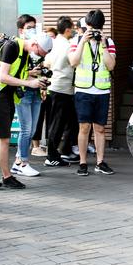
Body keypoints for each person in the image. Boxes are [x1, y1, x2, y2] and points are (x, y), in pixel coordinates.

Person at [0, 16, 50, 190]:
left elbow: (16, 75)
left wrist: (34, 76)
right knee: (4, 139)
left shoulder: (23, 50)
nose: (38, 56)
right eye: (39, 53)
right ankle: (7, 177)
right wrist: (29, 83)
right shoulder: (12, 46)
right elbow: (3, 76)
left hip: (3, 96)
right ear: (35, 45)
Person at [68, 9, 116, 176]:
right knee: (84, 127)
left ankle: (100, 162)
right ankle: (82, 162)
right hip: (83, 90)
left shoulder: (108, 42)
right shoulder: (76, 40)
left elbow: (111, 66)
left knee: (100, 128)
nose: (94, 30)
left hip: (102, 91)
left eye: (97, 27)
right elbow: (73, 62)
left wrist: (103, 45)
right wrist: (82, 42)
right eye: (91, 27)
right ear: (86, 26)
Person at [12, 16, 53, 177]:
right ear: (21, 29)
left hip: (35, 90)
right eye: (29, 27)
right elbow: (11, 72)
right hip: (23, 91)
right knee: (26, 129)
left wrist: (41, 83)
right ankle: (22, 162)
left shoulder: (36, 49)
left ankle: (18, 161)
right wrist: (30, 75)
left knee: (32, 129)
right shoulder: (15, 46)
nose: (32, 30)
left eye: (34, 27)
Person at [44, 16, 79, 167]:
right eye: (72, 28)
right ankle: (52, 155)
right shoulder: (67, 45)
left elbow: (47, 61)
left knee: (67, 122)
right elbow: (74, 62)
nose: (74, 31)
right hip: (62, 88)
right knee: (58, 123)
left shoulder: (56, 42)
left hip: (57, 87)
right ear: (67, 30)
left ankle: (62, 150)